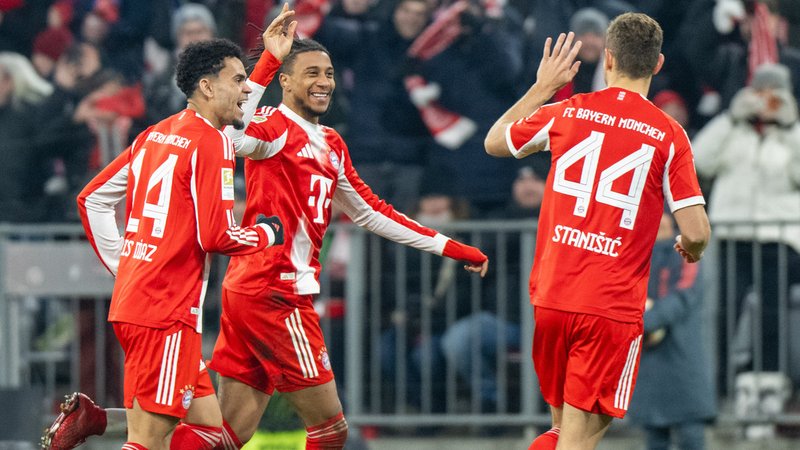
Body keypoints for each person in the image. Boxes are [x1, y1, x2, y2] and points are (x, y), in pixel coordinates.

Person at [208, 34, 488, 449]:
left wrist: (449, 246)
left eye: (329, 73)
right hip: (275, 293)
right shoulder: (273, 126)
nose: (324, 82)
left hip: (252, 289)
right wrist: (268, 60)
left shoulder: (331, 142)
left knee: (228, 436)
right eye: (311, 73)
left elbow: (371, 211)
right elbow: (230, 137)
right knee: (331, 431)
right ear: (285, 81)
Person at [42, 10, 298, 449]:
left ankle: (93, 418)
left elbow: (92, 198)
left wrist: (127, 266)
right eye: (238, 80)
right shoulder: (211, 142)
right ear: (207, 87)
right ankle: (96, 420)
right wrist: (268, 234)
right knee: (148, 441)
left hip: (147, 304)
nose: (245, 90)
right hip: (166, 314)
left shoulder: (155, 134)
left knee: (210, 433)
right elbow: (217, 236)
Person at [484, 13, 711, 450]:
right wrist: (692, 247)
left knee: (560, 432)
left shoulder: (568, 111)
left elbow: (496, 141)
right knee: (578, 442)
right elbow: (696, 230)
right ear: (658, 63)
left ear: (607, 58)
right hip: (609, 307)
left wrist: (542, 88)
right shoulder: (668, 134)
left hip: (552, 297)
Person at [692, 62, 800, 378]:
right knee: (726, 310)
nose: (765, 99)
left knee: (771, 311)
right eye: (760, 91)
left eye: (774, 92)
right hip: (733, 235)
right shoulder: (733, 129)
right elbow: (698, 159)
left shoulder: (792, 132)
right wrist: (730, 117)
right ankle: (720, 381)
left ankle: (769, 380)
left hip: (778, 237)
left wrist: (790, 127)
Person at [627, 212, 717, 450]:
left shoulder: (686, 253)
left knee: (691, 433)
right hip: (648, 357)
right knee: (654, 434)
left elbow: (683, 296)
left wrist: (644, 321)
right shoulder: (633, 255)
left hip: (681, 353)